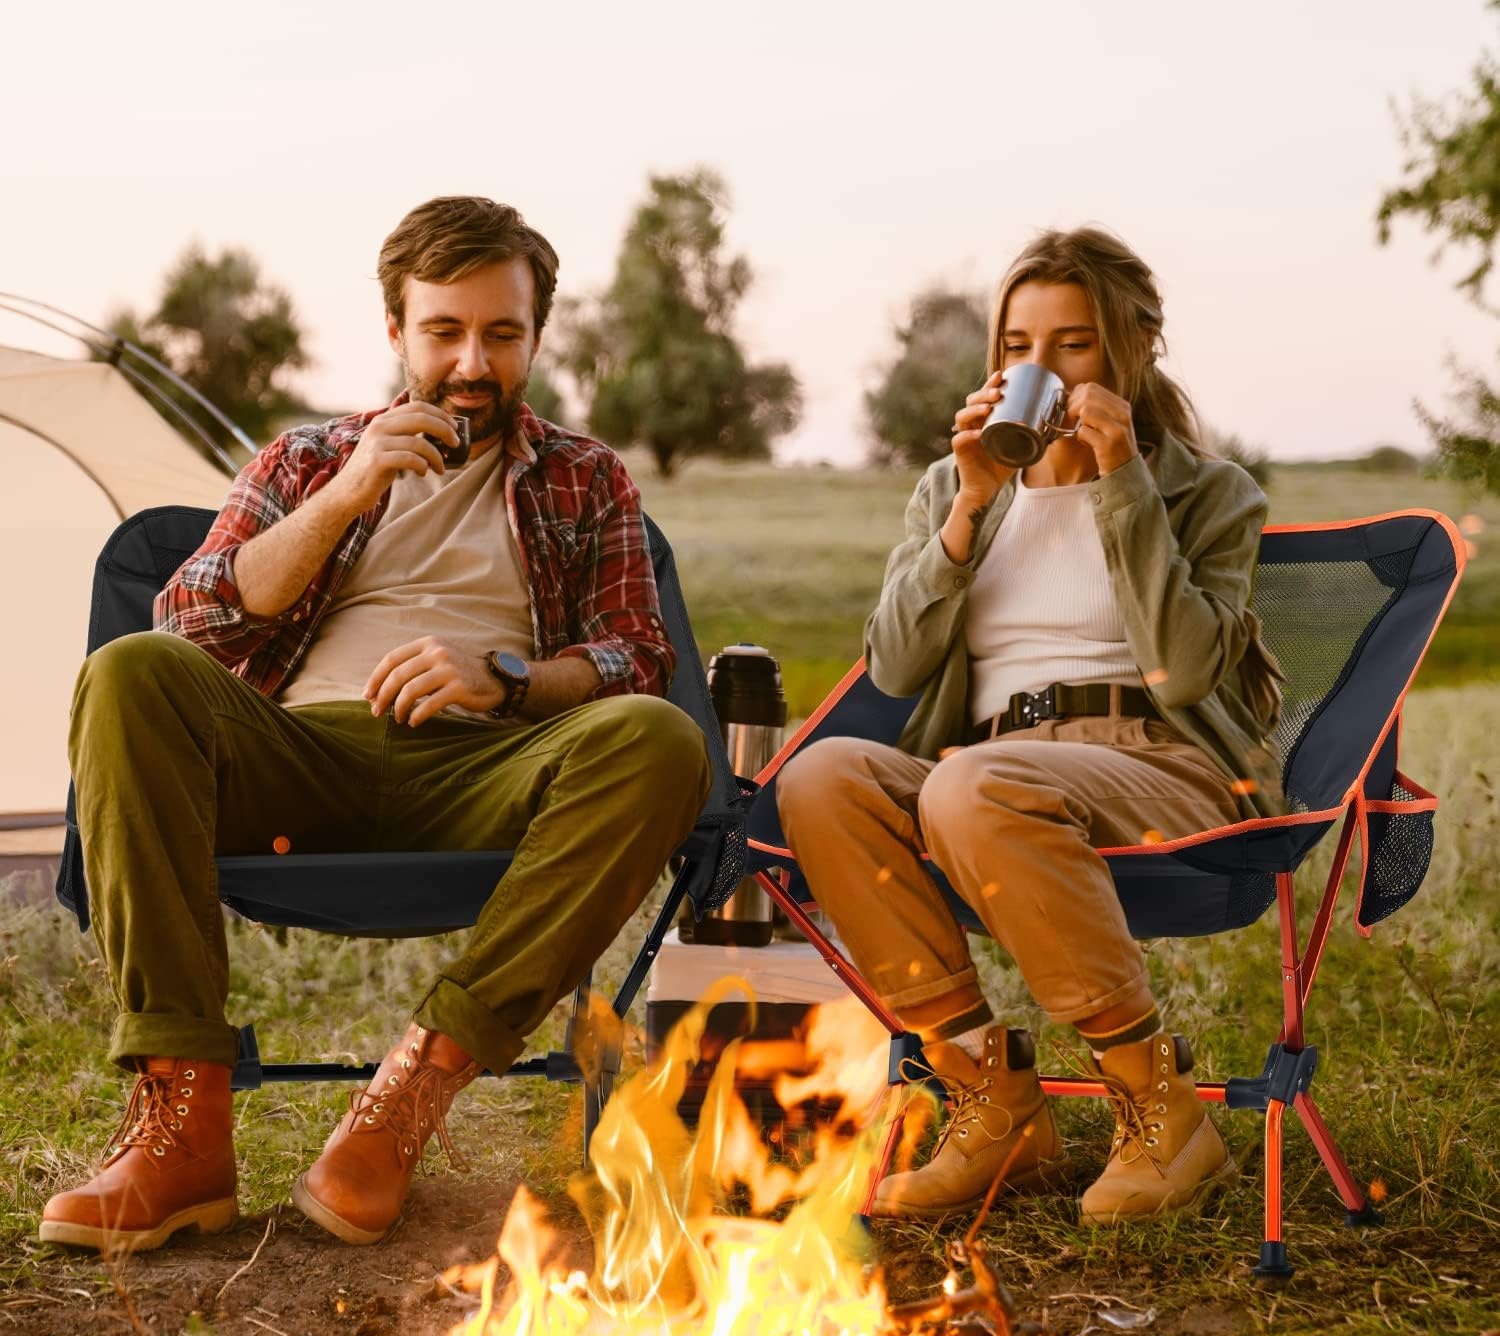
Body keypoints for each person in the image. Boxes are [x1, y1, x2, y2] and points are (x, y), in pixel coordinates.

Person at [42, 196, 711, 1253]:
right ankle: (182, 1126)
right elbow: (190, 618)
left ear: (537, 337)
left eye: (501, 333)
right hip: (300, 760)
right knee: (129, 672)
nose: (472, 364)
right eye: (445, 331)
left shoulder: (586, 477)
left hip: (492, 772)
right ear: (397, 331)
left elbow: (638, 657)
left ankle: (409, 1092)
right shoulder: (309, 458)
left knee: (660, 740)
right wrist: (349, 493)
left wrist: (506, 679)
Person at [777, 226, 1285, 1224]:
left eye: (1072, 345)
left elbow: (1185, 667)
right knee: (822, 779)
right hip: (987, 777)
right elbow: (894, 665)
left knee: (973, 781)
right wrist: (970, 503)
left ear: (1134, 349)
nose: (1039, 368)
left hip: (1156, 762)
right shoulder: (952, 486)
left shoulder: (1208, 493)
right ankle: (992, 1102)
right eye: (1017, 348)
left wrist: (1122, 476)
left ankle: (1163, 1113)